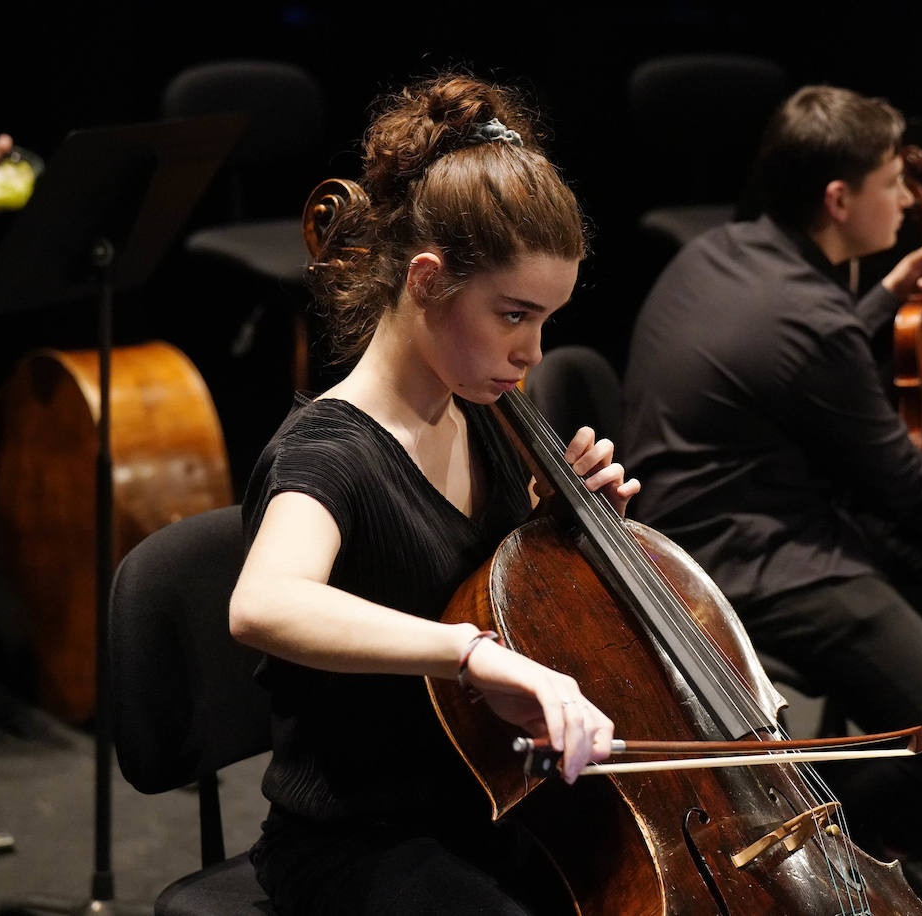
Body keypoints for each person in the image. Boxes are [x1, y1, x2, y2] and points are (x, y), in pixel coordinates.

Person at [620, 84, 922, 879]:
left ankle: (904, 836)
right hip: (749, 562)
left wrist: (886, 294)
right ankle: (776, 826)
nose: (906, 198)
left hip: (697, 528)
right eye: (893, 182)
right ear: (838, 198)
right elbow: (915, 490)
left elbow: (792, 362)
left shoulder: (719, 249)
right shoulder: (814, 319)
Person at [228, 74, 638, 915]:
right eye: (513, 314)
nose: (530, 352)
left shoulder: (486, 410)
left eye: (545, 322)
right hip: (358, 840)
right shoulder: (330, 452)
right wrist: (470, 651)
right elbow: (263, 605)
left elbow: (479, 585)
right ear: (425, 279)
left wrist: (560, 533)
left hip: (488, 801)